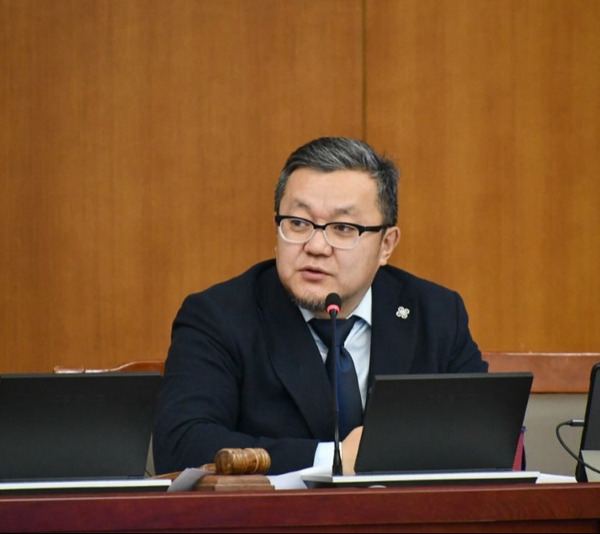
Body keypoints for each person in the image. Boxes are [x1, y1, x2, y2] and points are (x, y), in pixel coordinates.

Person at [152, 136, 488, 476]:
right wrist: (333, 459)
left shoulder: (435, 313)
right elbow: (181, 444)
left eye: (342, 228)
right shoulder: (218, 317)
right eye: (298, 223)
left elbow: (483, 435)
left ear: (386, 244)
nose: (315, 246)